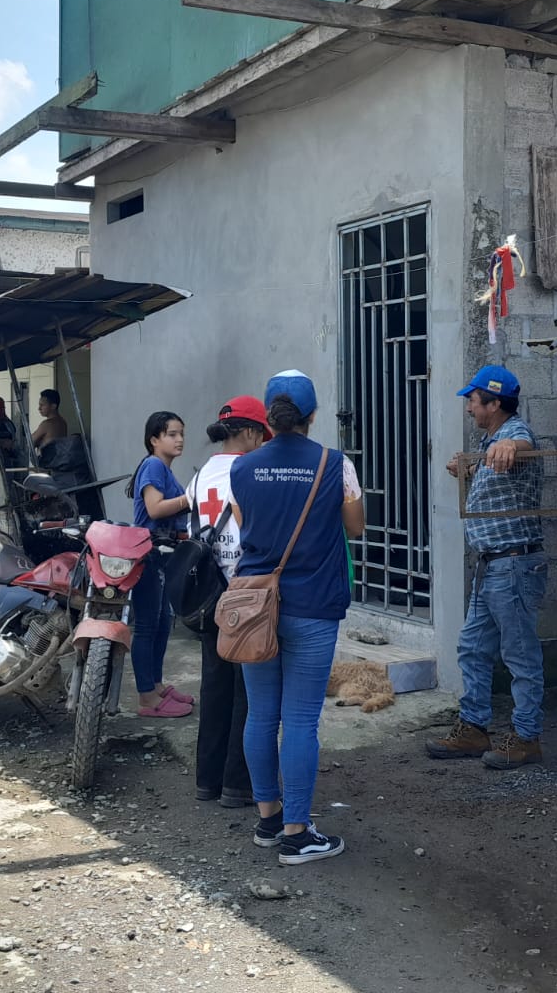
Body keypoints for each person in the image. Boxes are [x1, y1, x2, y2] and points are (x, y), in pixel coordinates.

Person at [229, 370, 365, 865]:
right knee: (302, 720)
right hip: (314, 605)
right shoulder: (335, 463)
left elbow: (245, 525)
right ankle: (297, 833)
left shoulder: (242, 468)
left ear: (267, 417)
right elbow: (355, 527)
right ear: (313, 415)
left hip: (254, 609)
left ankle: (268, 819)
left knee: (261, 715)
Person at [427, 365, 546, 770]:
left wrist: (509, 445)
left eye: (473, 400)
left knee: (520, 655)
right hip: (491, 567)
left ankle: (526, 738)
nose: (468, 408)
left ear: (494, 404)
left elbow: (522, 444)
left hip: (513, 566)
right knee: (472, 647)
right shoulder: (489, 442)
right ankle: (474, 728)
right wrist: (469, 468)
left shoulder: (513, 435)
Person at [187, 396, 270, 807]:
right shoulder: (250, 471)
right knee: (247, 693)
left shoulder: (201, 474)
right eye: (262, 435)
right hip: (244, 593)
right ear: (251, 432)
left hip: (207, 592)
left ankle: (208, 781)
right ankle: (239, 785)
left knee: (214, 687)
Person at [132, 410, 194, 718]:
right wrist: (191, 498)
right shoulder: (154, 465)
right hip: (148, 554)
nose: (179, 439)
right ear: (154, 439)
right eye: (172, 434)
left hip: (163, 555)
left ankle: (156, 686)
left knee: (162, 622)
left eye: (181, 434)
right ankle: (147, 697)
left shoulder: (164, 469)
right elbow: (154, 509)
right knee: (147, 625)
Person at [31, 388, 69, 455]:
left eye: (42, 405)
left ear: (53, 406)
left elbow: (30, 442)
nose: (39, 408)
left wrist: (39, 442)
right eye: (39, 405)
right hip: (59, 460)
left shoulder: (47, 424)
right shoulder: (63, 422)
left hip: (47, 460)